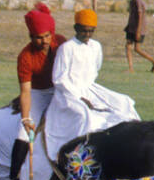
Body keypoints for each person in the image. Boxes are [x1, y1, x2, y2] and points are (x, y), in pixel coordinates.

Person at [41, 9, 138, 165]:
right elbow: (59, 79)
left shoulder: (95, 46)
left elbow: (95, 69)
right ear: (76, 28)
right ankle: (78, 157)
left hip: (90, 88)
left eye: (90, 31)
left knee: (124, 103)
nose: (87, 34)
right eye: (84, 31)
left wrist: (89, 93)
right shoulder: (67, 48)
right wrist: (79, 97)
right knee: (83, 114)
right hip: (68, 93)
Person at [6, 2, 63, 180]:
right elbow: (25, 92)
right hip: (39, 93)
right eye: (39, 38)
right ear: (31, 37)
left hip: (62, 90)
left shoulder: (62, 43)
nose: (45, 41)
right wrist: (26, 118)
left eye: (47, 36)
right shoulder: (25, 56)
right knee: (24, 133)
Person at [124, 0, 154, 72]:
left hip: (138, 29)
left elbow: (140, 16)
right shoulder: (132, 1)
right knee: (129, 46)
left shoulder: (138, 2)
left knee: (137, 49)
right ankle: (131, 68)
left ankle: (153, 61)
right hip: (131, 28)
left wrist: (138, 31)